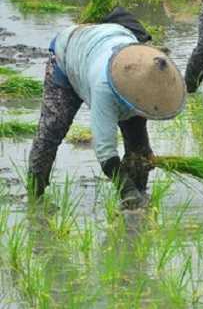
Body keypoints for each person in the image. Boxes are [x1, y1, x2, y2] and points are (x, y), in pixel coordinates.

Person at [28, 15, 186, 209]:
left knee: (139, 148)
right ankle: (35, 197)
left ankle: (139, 200)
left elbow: (139, 145)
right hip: (69, 52)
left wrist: (142, 165)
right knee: (51, 130)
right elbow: (105, 151)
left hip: (109, 40)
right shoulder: (104, 88)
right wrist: (126, 189)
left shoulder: (147, 71)